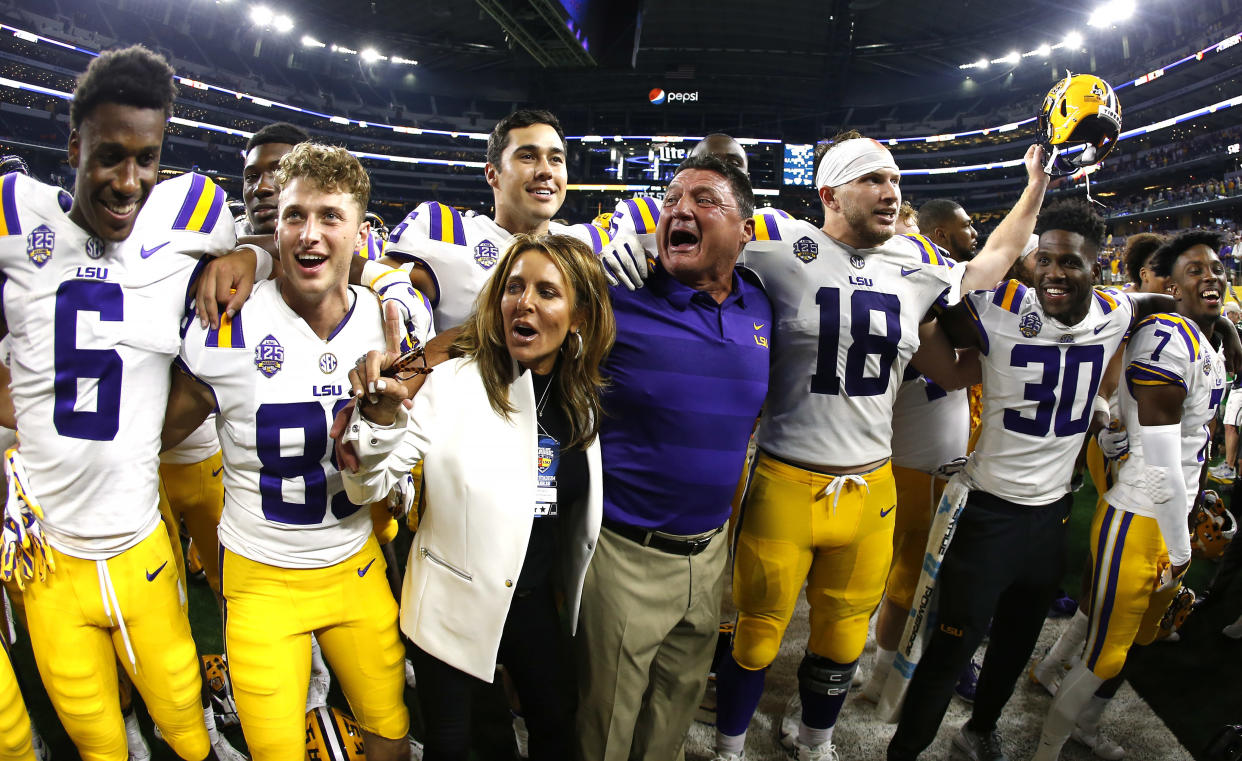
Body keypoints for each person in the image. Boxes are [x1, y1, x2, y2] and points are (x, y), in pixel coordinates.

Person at [709, 134, 1048, 761]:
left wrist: (1036, 184)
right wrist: (625, 243)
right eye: (872, 180)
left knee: (842, 640)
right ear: (829, 193)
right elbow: (690, 229)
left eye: (894, 180)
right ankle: (729, 747)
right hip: (786, 475)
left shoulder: (916, 261)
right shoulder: (777, 244)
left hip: (872, 484)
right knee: (757, 636)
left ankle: (816, 741)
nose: (890, 192)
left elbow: (993, 261)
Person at [886, 202, 1239, 761]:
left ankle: (979, 731)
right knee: (950, 650)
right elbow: (936, 304)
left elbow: (1166, 304)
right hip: (988, 512)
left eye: (1071, 262)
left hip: (1051, 516)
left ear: (1096, 269)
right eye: (1043, 259)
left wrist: (1216, 327)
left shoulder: (1117, 310)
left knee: (1015, 645)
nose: (1054, 271)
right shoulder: (1000, 308)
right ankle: (902, 752)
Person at [0, 45, 242, 760]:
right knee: (100, 742)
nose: (129, 180)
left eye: (147, 157)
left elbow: (262, 251)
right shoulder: (15, 212)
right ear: (72, 145)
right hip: (50, 559)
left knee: (185, 721)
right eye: (109, 155)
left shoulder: (191, 212)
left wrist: (247, 257)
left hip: (139, 536)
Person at [161, 143, 419, 761]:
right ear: (274, 225)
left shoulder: (386, 325)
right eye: (295, 216)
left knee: (391, 733)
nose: (310, 234)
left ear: (362, 233)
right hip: (260, 577)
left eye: (331, 217)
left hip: (354, 563)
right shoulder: (230, 321)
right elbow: (158, 432)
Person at [341, 233, 615, 761]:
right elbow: (366, 485)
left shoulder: (580, 396)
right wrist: (377, 422)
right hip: (451, 604)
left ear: (579, 317)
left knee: (556, 729)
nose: (525, 302)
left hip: (533, 604)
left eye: (547, 292)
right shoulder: (452, 382)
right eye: (514, 287)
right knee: (456, 746)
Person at [573, 154, 770, 761]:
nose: (680, 208)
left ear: (745, 230)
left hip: (710, 554)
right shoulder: (614, 296)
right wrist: (593, 253)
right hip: (626, 551)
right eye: (671, 198)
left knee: (673, 719)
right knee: (604, 728)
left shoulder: (761, 304)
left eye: (705, 200)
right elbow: (520, 278)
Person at [1030, 230, 1230, 761]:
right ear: (1171, 286)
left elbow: (1188, 441)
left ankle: (1077, 714)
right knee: (1107, 653)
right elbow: (1162, 463)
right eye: (1194, 270)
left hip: (1171, 511)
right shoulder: (1167, 338)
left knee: (1135, 640)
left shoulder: (1209, 336)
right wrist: (1181, 545)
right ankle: (1047, 748)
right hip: (1144, 514)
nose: (1210, 276)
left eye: (1216, 267)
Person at [382, 109, 613, 332]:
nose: (546, 171)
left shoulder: (587, 243)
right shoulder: (447, 233)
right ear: (492, 174)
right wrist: (377, 281)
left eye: (555, 159)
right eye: (528, 156)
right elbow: (358, 279)